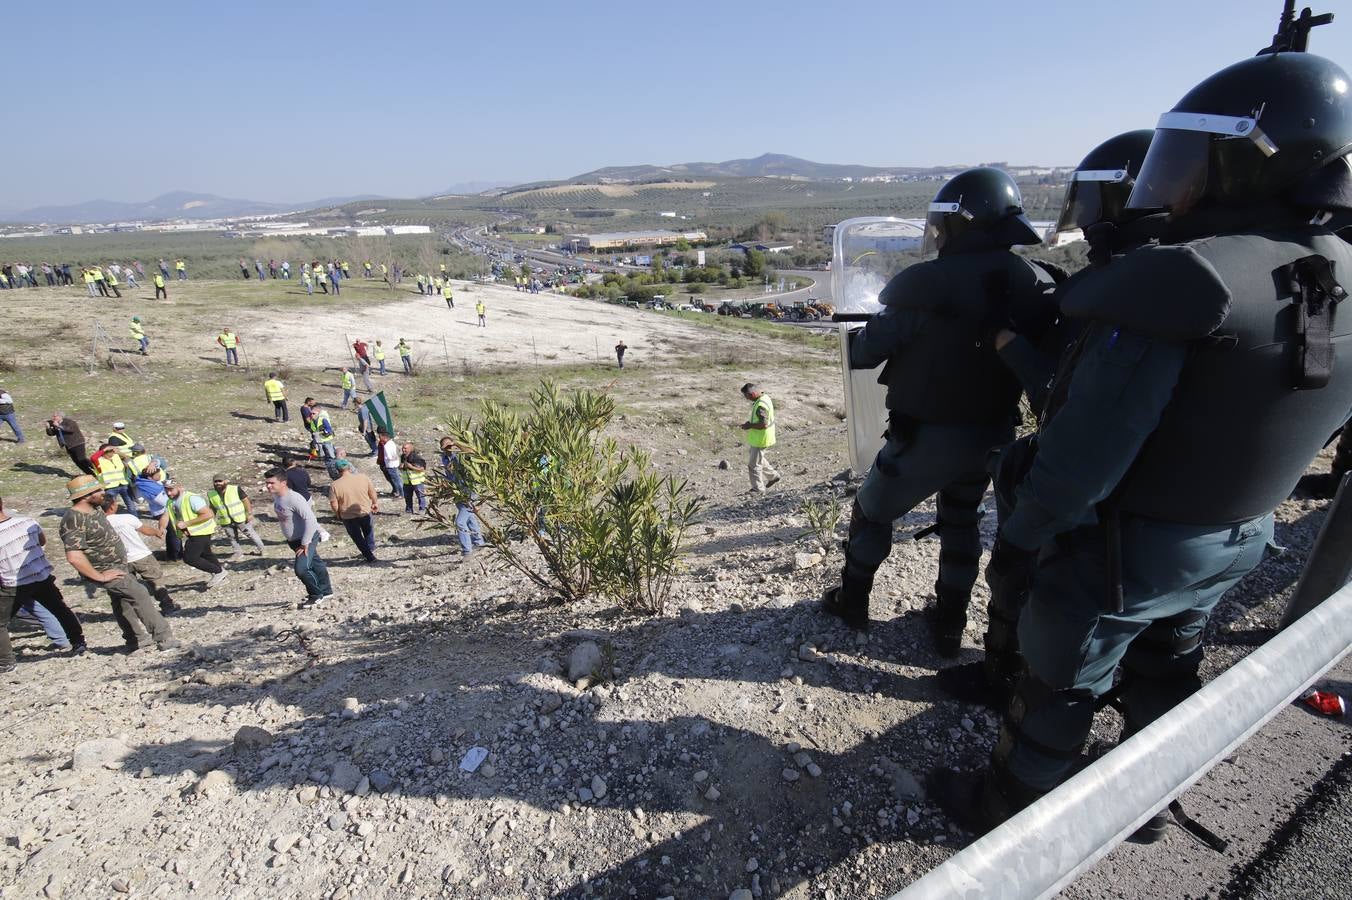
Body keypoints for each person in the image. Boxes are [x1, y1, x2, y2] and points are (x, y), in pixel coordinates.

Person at [929, 48, 1352, 840]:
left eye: (1194, 157)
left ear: (1250, 161)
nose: (1175, 179)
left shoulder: (1188, 279)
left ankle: (1007, 811)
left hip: (1125, 551)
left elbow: (1090, 451)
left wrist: (1021, 540)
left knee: (1060, 682)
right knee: (1168, 665)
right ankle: (1153, 801)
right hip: (1242, 535)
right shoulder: (1335, 272)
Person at [937, 129, 1163, 706]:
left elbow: (1058, 399)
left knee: (1025, 581)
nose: (1087, 221)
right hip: (1181, 501)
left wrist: (1010, 342)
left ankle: (1004, 683)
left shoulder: (1122, 294)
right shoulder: (1174, 280)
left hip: (1088, 492)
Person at [820, 167, 1058, 646]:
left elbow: (865, 353)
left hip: (925, 435)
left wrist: (880, 327)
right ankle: (950, 622)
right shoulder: (1037, 281)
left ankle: (853, 603)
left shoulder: (926, 283)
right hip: (993, 432)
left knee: (872, 511)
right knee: (961, 519)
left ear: (961, 224)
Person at [59, 476, 179, 653]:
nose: (103, 494)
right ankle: (163, 637)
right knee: (140, 593)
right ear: (85, 495)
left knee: (121, 602)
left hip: (119, 566)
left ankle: (135, 639)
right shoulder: (74, 519)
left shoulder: (95, 510)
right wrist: (99, 576)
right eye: (98, 491)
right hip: (106, 569)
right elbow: (74, 556)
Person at [0, 494, 87, 671]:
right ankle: (78, 643)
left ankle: (6, 663)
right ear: (2, 504)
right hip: (40, 576)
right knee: (60, 609)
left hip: (14, 585)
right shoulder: (26, 522)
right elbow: (42, 541)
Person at [265, 468, 333, 607]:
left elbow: (310, 519)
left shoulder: (294, 498)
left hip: (305, 539)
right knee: (315, 563)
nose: (268, 486)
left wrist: (306, 543)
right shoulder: (277, 497)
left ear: (283, 483)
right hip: (294, 540)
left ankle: (316, 595)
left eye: (271, 483)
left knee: (301, 569)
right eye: (267, 483)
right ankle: (326, 591)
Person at [101, 494, 178, 614]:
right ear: (112, 506)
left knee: (131, 588)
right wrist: (157, 532)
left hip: (120, 561)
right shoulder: (126, 518)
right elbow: (145, 530)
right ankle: (167, 605)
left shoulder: (99, 525)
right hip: (141, 555)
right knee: (155, 581)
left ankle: (141, 611)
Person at [165, 480, 227, 588]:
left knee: (190, 558)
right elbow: (171, 516)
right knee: (205, 554)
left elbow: (208, 514)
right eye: (166, 490)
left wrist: (186, 524)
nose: (169, 493)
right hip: (192, 533)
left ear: (179, 487)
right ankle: (221, 576)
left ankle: (218, 572)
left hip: (201, 531)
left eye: (171, 490)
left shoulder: (192, 498)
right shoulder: (171, 502)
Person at [440, 438, 486, 558]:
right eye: (444, 445)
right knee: (470, 518)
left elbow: (472, 453)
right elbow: (449, 475)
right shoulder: (444, 458)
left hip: (470, 491)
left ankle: (467, 551)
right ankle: (479, 542)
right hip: (458, 492)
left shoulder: (460, 454)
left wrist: (457, 444)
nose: (447, 446)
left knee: (460, 522)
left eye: (448, 443)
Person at [329, 460, 379, 563]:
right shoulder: (363, 477)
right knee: (368, 531)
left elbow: (334, 503)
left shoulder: (334, 485)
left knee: (357, 537)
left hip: (348, 516)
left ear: (338, 471)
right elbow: (372, 492)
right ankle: (371, 548)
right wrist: (374, 503)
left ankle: (369, 556)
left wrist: (337, 513)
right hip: (364, 511)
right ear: (349, 468)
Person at [207, 475, 265, 562]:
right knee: (232, 538)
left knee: (250, 534)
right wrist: (212, 519)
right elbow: (213, 507)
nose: (218, 483)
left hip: (240, 518)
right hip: (225, 520)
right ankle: (238, 553)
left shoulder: (235, 489)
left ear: (226, 481)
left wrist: (249, 513)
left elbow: (245, 500)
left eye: (220, 481)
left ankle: (262, 549)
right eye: (216, 481)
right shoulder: (211, 493)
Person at [740, 383, 780, 494]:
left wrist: (749, 426)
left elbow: (764, 424)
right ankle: (773, 476)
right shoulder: (765, 397)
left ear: (752, 394)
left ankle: (758, 489)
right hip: (763, 437)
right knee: (758, 458)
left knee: (753, 465)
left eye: (747, 396)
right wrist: (751, 423)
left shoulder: (760, 405)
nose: (746, 399)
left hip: (761, 438)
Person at [283, 455, 332, 542]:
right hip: (307, 496)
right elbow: (309, 483)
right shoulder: (303, 471)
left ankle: (322, 532)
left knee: (307, 518)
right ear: (294, 463)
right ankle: (312, 534)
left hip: (298, 500)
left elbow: (289, 490)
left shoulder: (286, 476)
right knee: (307, 517)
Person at [93, 442, 135, 514]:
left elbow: (127, 458)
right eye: (111, 451)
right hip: (110, 487)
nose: (113, 452)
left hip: (123, 484)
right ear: (105, 452)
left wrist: (118, 452)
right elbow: (93, 458)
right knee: (110, 507)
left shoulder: (116, 457)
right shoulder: (99, 461)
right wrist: (105, 449)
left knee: (130, 504)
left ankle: (135, 519)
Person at [307, 401, 339, 478]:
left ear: (318, 413)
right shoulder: (312, 421)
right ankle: (329, 466)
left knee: (331, 455)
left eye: (313, 413)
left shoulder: (323, 419)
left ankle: (335, 467)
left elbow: (329, 429)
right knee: (324, 455)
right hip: (319, 441)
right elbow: (313, 430)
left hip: (326, 440)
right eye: (311, 413)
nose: (312, 415)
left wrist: (321, 432)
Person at [400, 442, 428, 514]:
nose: (403, 450)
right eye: (403, 448)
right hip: (407, 481)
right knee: (407, 496)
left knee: (420, 496)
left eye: (405, 448)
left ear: (410, 449)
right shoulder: (403, 457)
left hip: (417, 481)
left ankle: (422, 509)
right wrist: (401, 467)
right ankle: (409, 510)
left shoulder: (416, 458)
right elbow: (403, 467)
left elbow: (422, 469)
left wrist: (411, 467)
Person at [377, 429, 403, 498]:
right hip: (394, 464)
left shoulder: (386, 445)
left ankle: (400, 493)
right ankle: (399, 492)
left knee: (395, 480)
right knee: (397, 479)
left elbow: (388, 456)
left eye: (380, 437)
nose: (379, 439)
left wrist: (391, 459)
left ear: (384, 437)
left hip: (390, 465)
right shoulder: (392, 443)